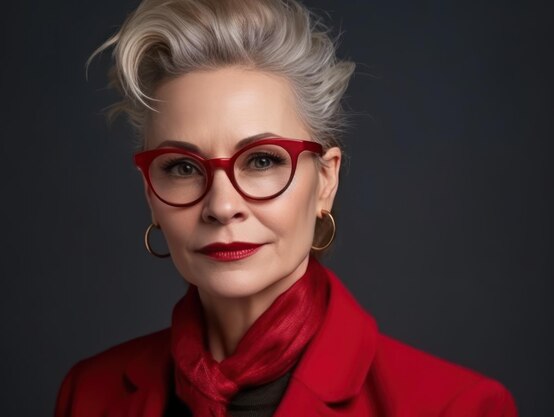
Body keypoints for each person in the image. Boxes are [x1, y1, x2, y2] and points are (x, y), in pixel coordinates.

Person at [54, 1, 518, 416]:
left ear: (326, 181)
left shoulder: (458, 407)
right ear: (149, 192)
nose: (221, 205)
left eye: (262, 161)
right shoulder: (90, 395)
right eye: (182, 167)